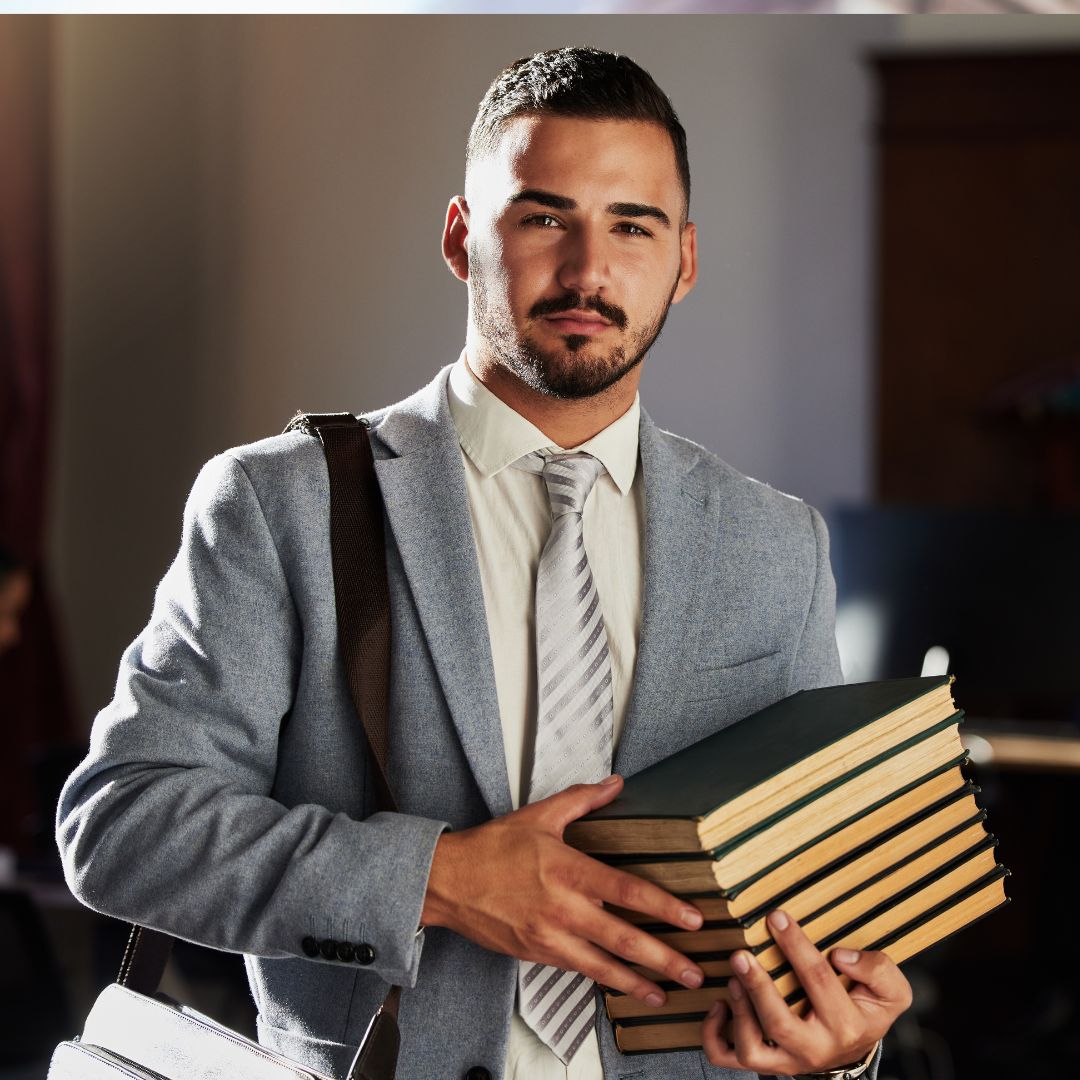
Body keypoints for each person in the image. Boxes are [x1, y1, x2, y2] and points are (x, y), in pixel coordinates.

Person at [57, 48, 911, 1080]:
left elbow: (805, 918)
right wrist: (440, 879)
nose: (590, 270)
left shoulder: (779, 545)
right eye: (545, 217)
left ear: (684, 261)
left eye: (631, 226)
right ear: (463, 237)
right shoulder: (281, 501)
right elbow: (123, 825)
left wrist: (837, 1047)